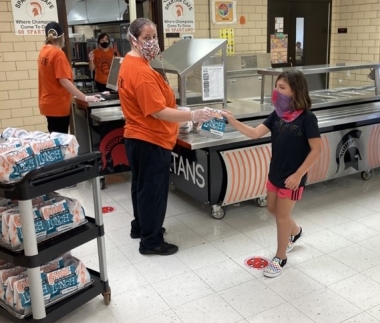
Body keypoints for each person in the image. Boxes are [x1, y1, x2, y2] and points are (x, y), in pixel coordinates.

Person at [118, 18, 218, 256]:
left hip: (136, 137)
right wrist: (192, 114)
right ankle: (151, 241)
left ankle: (141, 227)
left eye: (154, 37)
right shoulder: (141, 72)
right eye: (146, 38)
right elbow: (157, 111)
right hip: (150, 140)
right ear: (133, 40)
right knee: (153, 192)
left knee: (141, 188)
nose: (152, 42)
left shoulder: (129, 63)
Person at [223, 70, 322, 277]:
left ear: (296, 91)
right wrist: (232, 120)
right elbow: (254, 133)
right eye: (276, 86)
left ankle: (280, 256)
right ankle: (296, 232)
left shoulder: (307, 118)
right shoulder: (277, 115)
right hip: (275, 173)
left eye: (282, 88)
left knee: (281, 217)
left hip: (292, 178)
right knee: (273, 210)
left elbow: (316, 150)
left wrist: (298, 175)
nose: (276, 91)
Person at [38, 22, 96, 133]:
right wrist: (85, 97)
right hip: (58, 105)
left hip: (47, 103)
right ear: (62, 36)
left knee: (55, 137)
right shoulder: (57, 54)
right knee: (61, 140)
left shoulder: (43, 51)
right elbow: (64, 80)